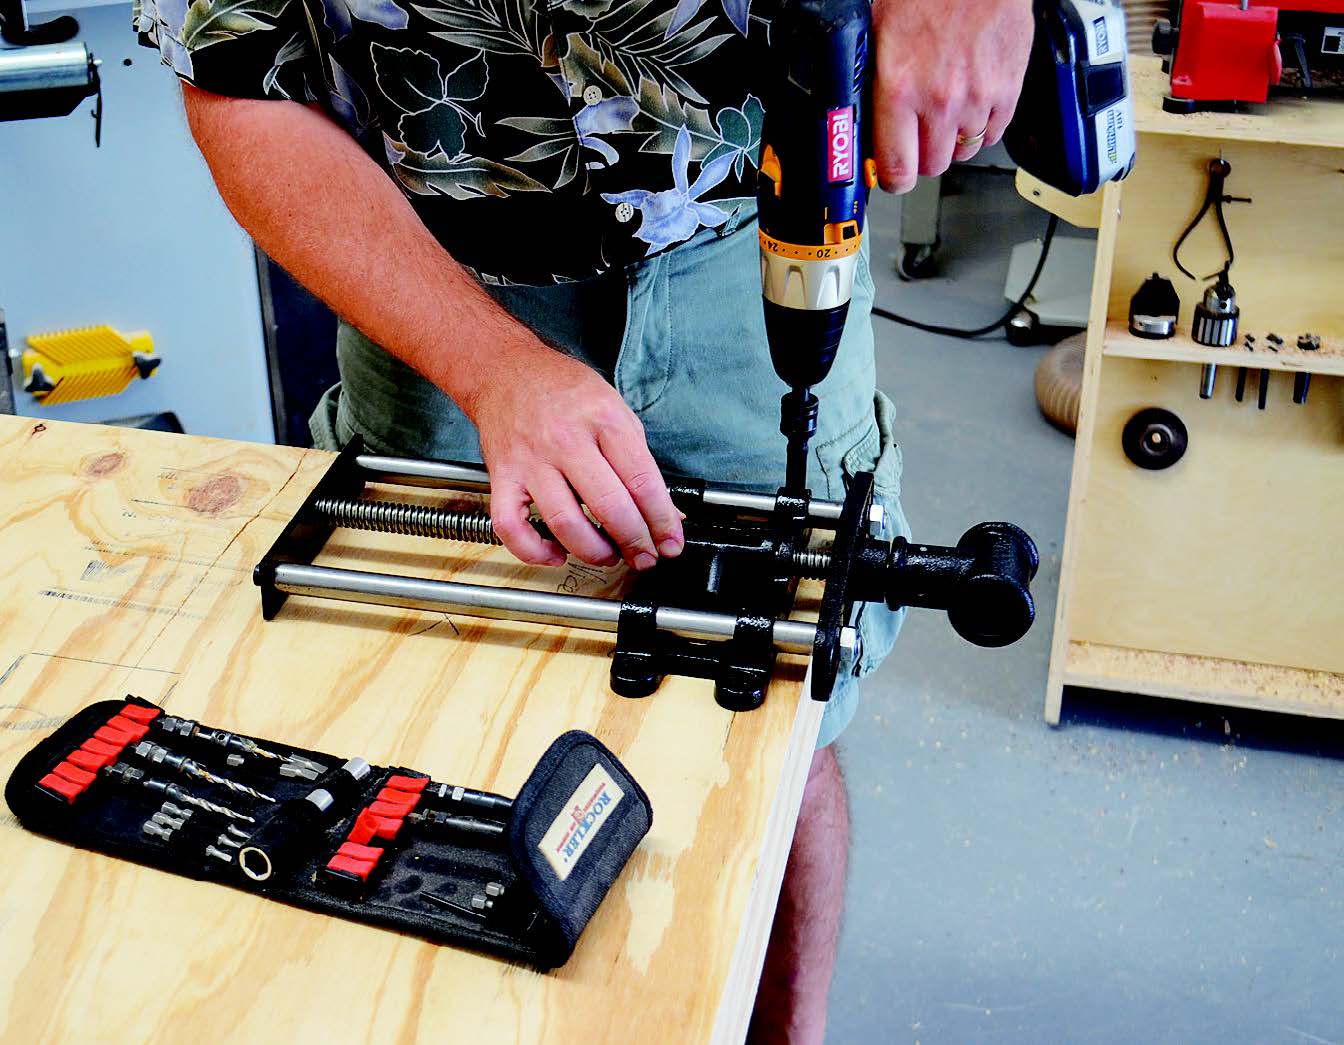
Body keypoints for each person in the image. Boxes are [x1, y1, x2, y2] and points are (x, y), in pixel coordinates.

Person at [133, 0, 1031, 1033]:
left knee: (781, 730)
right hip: (427, 265)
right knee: (418, 734)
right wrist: (492, 368)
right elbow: (239, 83)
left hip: (750, 231)